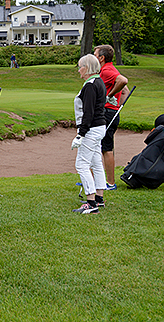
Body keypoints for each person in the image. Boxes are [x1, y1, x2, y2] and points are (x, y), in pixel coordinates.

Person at [71, 54, 107, 214]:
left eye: (80, 67)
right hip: (98, 128)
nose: (79, 70)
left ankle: (91, 202)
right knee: (96, 162)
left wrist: (81, 134)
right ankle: (99, 198)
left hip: (91, 129)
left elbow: (88, 112)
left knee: (82, 164)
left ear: (87, 68)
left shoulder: (91, 85)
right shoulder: (98, 82)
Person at [94, 44, 130, 190]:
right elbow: (125, 91)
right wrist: (117, 107)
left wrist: (108, 98)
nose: (94, 57)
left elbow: (123, 82)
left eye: (95, 55)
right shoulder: (108, 69)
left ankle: (110, 183)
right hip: (110, 112)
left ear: (102, 58)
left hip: (107, 114)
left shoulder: (107, 70)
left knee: (106, 148)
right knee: (100, 146)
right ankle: (96, 180)